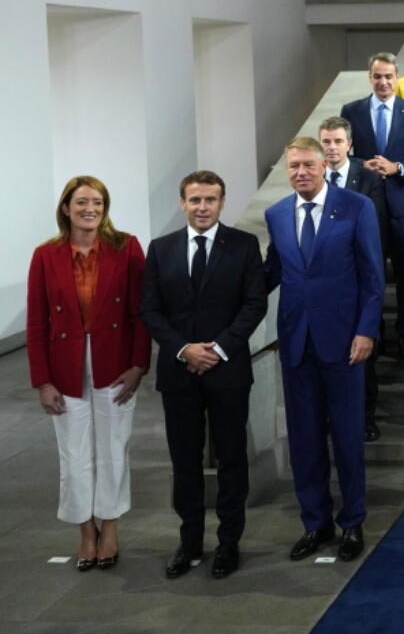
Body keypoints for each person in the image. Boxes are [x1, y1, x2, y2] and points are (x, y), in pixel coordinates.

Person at [140, 170, 267, 579]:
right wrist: (183, 349)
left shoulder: (245, 245)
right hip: (179, 373)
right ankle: (190, 541)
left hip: (227, 370)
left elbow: (254, 304)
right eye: (194, 200)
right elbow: (150, 310)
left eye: (210, 200)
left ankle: (229, 543)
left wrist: (219, 348)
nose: (202, 207)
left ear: (222, 202)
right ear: (182, 203)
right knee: (185, 461)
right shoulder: (160, 249)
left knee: (232, 460)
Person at [264, 136, 384, 563]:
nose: (300, 173)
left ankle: (352, 522)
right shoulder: (276, 214)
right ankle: (315, 522)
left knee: (348, 438)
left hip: (345, 343)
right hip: (296, 345)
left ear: (324, 166)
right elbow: (271, 274)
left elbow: (373, 277)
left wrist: (367, 331)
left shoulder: (355, 207)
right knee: (304, 440)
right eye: (293, 166)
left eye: (307, 166)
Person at [27, 176, 149, 572]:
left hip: (115, 364)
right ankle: (85, 531)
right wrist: (43, 381)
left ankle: (110, 527)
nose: (89, 209)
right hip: (65, 368)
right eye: (81, 203)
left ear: (105, 206)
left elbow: (140, 312)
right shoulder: (45, 255)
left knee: (114, 448)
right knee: (74, 454)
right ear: (66, 208)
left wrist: (138, 365)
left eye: (96, 202)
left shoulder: (126, 247)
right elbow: (36, 323)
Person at [340, 52, 404, 350]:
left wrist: (399, 168)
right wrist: (360, 165)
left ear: (397, 78)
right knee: (369, 274)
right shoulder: (351, 111)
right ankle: (372, 338)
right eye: (377, 76)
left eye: (388, 76)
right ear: (370, 78)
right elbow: (343, 156)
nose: (383, 82)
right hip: (365, 207)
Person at [319, 116, 389, 441]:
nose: (331, 148)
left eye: (337, 142)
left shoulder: (367, 177)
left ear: (350, 144)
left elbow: (376, 226)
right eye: (326, 142)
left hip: (359, 277)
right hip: (325, 282)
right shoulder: (315, 178)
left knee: (364, 357)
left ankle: (366, 418)